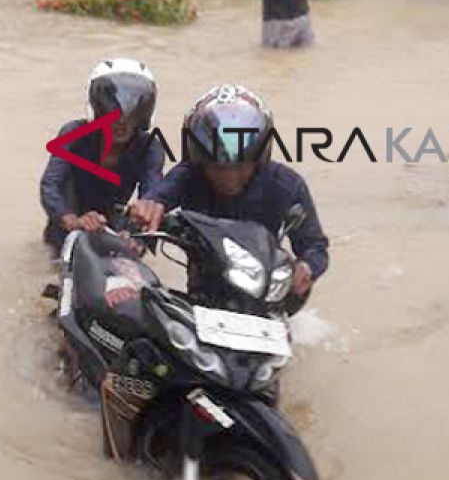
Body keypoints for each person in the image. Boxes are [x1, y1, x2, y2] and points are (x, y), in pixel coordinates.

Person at [128, 83, 329, 312]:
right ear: (200, 160)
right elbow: (157, 199)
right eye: (216, 166)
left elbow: (315, 245)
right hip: (204, 290)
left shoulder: (286, 185)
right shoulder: (188, 175)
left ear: (257, 159)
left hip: (262, 293)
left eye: (239, 166)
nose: (228, 176)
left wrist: (307, 268)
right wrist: (147, 210)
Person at [40, 58, 164, 253]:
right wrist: (72, 221)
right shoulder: (73, 133)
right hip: (65, 233)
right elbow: (50, 185)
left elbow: (153, 196)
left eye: (131, 112)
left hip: (115, 233)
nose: (121, 121)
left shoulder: (149, 147)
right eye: (112, 111)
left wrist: (136, 234)